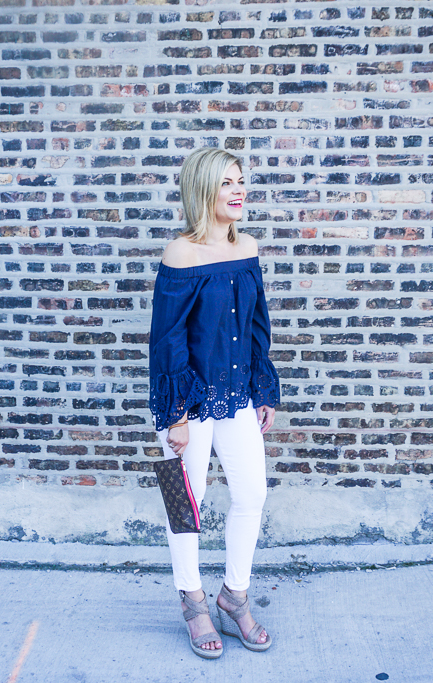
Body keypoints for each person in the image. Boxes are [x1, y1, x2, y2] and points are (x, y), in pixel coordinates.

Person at [148, 147, 281, 658]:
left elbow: (255, 327)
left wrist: (263, 389)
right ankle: (193, 603)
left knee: (252, 494)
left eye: (241, 180)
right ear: (204, 190)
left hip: (238, 395)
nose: (239, 190)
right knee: (187, 506)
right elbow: (168, 340)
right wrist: (176, 414)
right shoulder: (180, 254)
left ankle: (234, 594)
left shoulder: (247, 247)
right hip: (187, 401)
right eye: (227, 182)